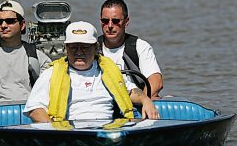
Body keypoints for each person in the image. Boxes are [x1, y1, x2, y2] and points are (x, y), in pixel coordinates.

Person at [23, 21, 159, 123]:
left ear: (96, 48)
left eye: (85, 47)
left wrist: (146, 100)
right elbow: (35, 109)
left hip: (109, 131)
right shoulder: (51, 73)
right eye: (73, 47)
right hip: (69, 133)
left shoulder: (110, 70)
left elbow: (130, 92)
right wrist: (55, 130)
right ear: (65, 48)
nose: (79, 53)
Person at [99, 0, 164, 98]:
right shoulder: (91, 48)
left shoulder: (140, 47)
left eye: (116, 21)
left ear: (126, 21)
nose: (110, 25)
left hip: (136, 103)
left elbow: (156, 81)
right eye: (105, 21)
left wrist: (143, 101)